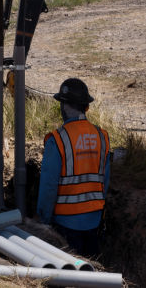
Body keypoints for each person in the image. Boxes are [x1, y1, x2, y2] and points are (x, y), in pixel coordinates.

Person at [36, 77, 111, 255]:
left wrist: (43, 220)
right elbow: (105, 181)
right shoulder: (102, 137)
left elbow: (48, 185)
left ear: (63, 106)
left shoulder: (58, 139)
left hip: (65, 224)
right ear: (86, 107)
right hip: (94, 220)